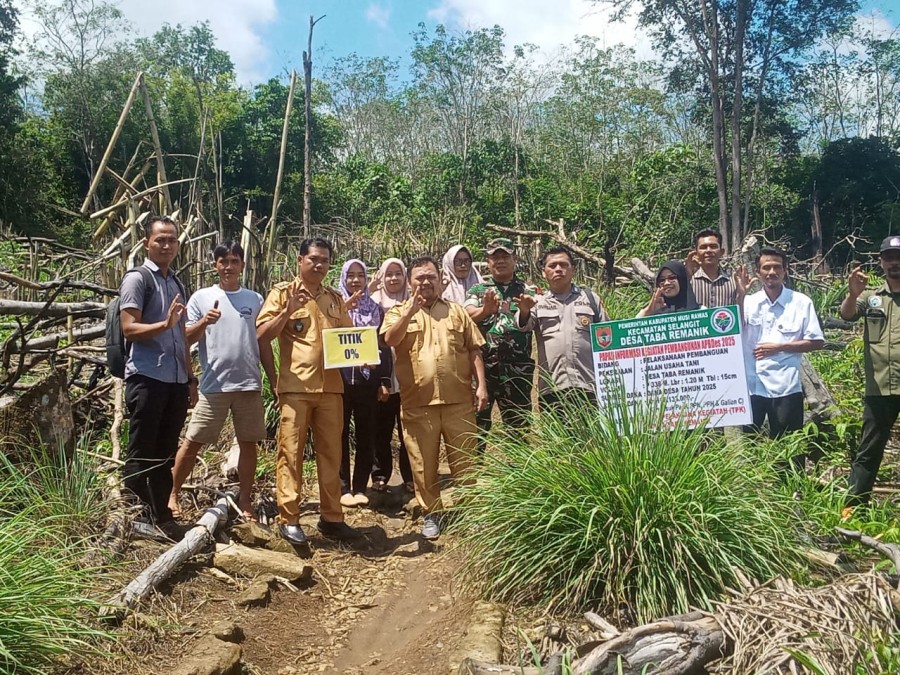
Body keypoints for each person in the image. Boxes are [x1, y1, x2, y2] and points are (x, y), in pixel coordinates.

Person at [256, 238, 363, 545]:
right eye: (314, 259)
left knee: (332, 454)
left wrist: (362, 352)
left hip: (331, 389)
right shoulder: (282, 294)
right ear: (300, 260)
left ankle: (332, 518)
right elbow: (261, 335)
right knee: (290, 453)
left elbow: (349, 336)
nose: (319, 265)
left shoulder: (334, 299)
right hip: (296, 388)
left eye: (325, 260)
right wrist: (287, 311)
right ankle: (289, 518)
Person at [168, 241, 276, 522]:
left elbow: (263, 341)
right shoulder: (202, 298)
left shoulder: (255, 299)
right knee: (193, 441)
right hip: (214, 385)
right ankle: (172, 494)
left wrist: (273, 379)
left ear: (242, 265)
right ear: (215, 265)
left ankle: (245, 500)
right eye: (223, 261)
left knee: (248, 443)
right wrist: (205, 322)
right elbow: (185, 338)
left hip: (248, 385)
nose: (228, 267)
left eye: (234, 261)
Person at [382, 256, 488, 539]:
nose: (425, 282)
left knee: (465, 460)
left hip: (459, 402)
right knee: (423, 464)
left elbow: (474, 348)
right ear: (410, 282)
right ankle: (432, 513)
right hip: (418, 403)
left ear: (440, 279)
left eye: (430, 277)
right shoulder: (398, 312)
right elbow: (390, 339)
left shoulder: (456, 311)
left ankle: (470, 512)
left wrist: (481, 386)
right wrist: (410, 312)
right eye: (419, 278)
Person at [119, 215, 196, 541]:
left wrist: (190, 380)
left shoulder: (175, 283)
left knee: (165, 452)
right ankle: (136, 518)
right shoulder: (138, 279)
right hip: (147, 377)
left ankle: (162, 515)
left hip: (174, 381)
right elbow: (129, 328)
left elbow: (181, 337)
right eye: (160, 239)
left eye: (172, 240)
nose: (166, 245)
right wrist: (163, 325)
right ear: (146, 243)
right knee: (142, 449)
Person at [742, 247, 824, 472]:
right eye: (766, 267)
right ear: (758, 272)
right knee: (746, 450)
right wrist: (739, 296)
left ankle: (791, 491)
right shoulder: (747, 303)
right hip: (751, 388)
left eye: (777, 267)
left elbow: (817, 341)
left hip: (786, 388)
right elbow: (730, 332)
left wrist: (780, 347)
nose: (772, 272)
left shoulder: (801, 302)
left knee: (789, 451)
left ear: (785, 270)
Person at [840, 236, 900, 516]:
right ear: (881, 262)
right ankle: (853, 510)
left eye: (898, 258)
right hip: (880, 386)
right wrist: (853, 294)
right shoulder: (871, 297)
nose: (895, 263)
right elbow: (847, 315)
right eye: (889, 258)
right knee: (869, 450)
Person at [518, 246, 608, 409]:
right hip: (552, 388)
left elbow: (608, 338)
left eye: (564, 265)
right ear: (544, 272)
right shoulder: (538, 302)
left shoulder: (590, 299)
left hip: (588, 385)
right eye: (552, 266)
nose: (558, 269)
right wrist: (524, 310)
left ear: (573, 269)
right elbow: (524, 326)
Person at [464, 238, 536, 438]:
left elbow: (533, 321)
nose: (501, 261)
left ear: (514, 259)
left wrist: (524, 311)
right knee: (477, 426)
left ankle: (518, 459)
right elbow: (466, 315)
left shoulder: (527, 290)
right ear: (488, 261)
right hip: (483, 368)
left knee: (518, 428)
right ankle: (477, 460)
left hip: (516, 368)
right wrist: (485, 310)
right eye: (495, 257)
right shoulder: (478, 290)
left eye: (505, 256)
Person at [338, 259, 391, 507]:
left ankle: (360, 487)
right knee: (338, 435)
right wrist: (343, 310)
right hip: (338, 382)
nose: (356, 280)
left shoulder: (375, 309)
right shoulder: (334, 306)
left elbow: (383, 347)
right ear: (343, 278)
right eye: (351, 275)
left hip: (367, 382)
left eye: (360, 275)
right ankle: (342, 487)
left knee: (366, 435)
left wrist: (384, 380)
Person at [369, 258, 414, 493]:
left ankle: (410, 475)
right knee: (381, 429)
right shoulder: (373, 304)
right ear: (381, 277)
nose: (394, 278)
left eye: (398, 273)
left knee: (410, 429)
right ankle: (380, 474)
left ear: (405, 277)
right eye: (389, 274)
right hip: (382, 376)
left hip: (409, 375)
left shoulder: (414, 303)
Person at [685, 228, 743, 308]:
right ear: (696, 253)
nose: (708, 250)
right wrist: (687, 276)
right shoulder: (688, 282)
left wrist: (741, 294)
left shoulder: (733, 283)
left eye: (713, 246)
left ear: (722, 252)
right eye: (703, 247)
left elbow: (738, 312)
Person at [637, 260, 701, 317]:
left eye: (672, 278)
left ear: (681, 280)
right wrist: (648, 311)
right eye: (662, 280)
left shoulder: (700, 311)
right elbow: (634, 325)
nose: (666, 283)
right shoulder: (652, 314)